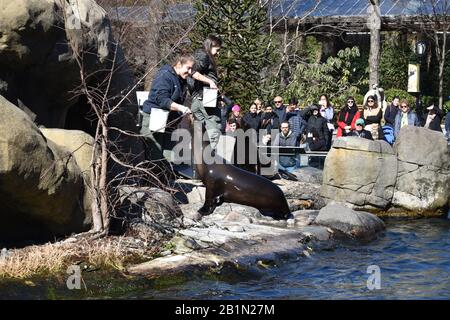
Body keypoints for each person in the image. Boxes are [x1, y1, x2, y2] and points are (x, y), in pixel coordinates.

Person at [141, 54, 193, 161]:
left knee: (169, 158)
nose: (190, 72)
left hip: (169, 123)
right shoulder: (164, 76)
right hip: (154, 119)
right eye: (188, 68)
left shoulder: (182, 80)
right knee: (154, 157)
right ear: (179, 64)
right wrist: (181, 108)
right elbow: (162, 100)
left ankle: (166, 176)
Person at [190, 34, 223, 149]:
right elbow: (193, 73)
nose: (218, 53)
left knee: (201, 134)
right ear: (210, 46)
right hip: (204, 100)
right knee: (213, 131)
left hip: (199, 100)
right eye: (217, 50)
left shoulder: (203, 56)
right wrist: (210, 82)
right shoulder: (204, 55)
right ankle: (211, 161)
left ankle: (200, 162)